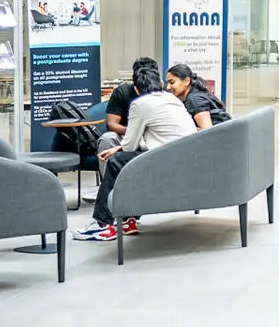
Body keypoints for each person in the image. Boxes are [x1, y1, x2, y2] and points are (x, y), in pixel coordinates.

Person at [75, 64, 199, 242]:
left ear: (136, 88)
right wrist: (121, 147)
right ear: (160, 83)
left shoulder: (140, 104)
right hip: (183, 158)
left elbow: (130, 145)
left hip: (164, 160)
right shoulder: (173, 100)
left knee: (116, 162)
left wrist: (119, 148)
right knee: (122, 157)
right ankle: (126, 219)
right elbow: (155, 137)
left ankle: (103, 224)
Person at [99, 57, 161, 154]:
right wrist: (134, 132)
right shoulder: (122, 91)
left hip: (154, 135)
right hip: (126, 133)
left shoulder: (163, 92)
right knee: (107, 138)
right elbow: (111, 124)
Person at [166, 64, 229, 130]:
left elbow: (207, 131)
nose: (168, 87)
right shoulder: (196, 95)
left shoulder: (194, 100)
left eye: (172, 82)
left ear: (186, 81)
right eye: (167, 83)